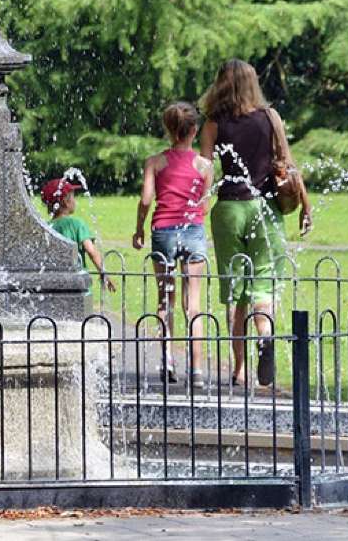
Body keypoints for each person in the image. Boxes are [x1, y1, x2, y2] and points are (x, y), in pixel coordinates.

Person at [199, 59, 293, 392]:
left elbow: (205, 170)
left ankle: (239, 370)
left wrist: (196, 202)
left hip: (229, 209)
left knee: (235, 292)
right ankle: (265, 337)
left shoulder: (213, 123)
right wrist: (305, 205)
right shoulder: (271, 118)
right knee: (263, 285)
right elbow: (287, 164)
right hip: (264, 208)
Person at [132, 101, 213, 387]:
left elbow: (145, 200)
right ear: (194, 130)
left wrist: (139, 229)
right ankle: (197, 372)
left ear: (168, 129)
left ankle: (167, 361)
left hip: (163, 231)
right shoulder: (205, 166)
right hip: (193, 231)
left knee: (165, 300)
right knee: (193, 305)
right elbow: (204, 202)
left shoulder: (155, 162)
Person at [40, 176, 116, 295]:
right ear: (65, 201)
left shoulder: (47, 227)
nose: (75, 201)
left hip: (55, 288)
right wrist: (103, 272)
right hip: (77, 288)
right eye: (73, 197)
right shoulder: (76, 224)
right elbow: (91, 251)